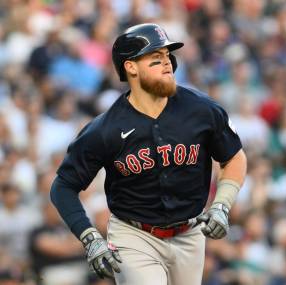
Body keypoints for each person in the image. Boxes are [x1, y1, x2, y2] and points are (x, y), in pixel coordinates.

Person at [49, 23, 247, 285]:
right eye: (156, 59)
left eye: (168, 57)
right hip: (134, 235)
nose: (167, 64)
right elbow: (63, 186)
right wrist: (89, 236)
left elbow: (234, 157)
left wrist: (222, 204)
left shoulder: (201, 110)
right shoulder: (106, 128)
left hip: (190, 234)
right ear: (130, 67)